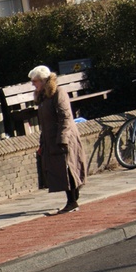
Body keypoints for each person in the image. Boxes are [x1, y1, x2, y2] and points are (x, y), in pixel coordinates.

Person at [29, 65, 87, 214]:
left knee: (67, 168)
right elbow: (44, 123)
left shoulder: (58, 93)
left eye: (35, 81)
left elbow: (65, 117)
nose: (32, 84)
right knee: (60, 170)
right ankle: (73, 198)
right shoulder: (42, 97)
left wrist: (63, 139)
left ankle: (72, 201)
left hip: (63, 137)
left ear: (43, 80)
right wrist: (43, 142)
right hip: (51, 138)